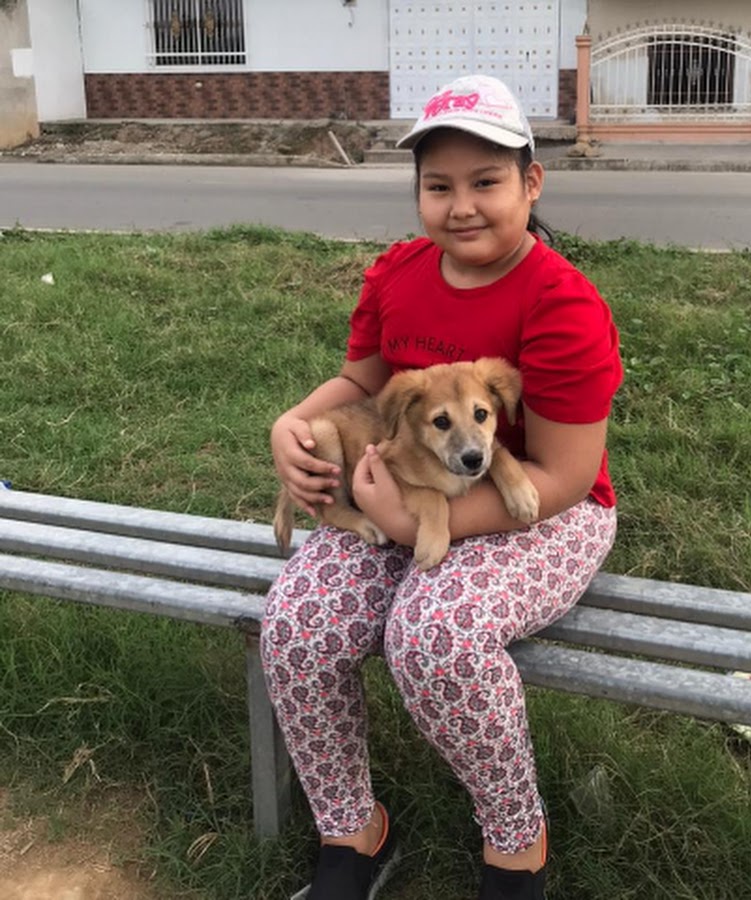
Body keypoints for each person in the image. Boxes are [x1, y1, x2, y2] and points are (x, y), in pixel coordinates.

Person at [260, 73, 623, 900]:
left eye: (486, 182)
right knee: (298, 623)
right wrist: (292, 423)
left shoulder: (561, 304)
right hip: (406, 489)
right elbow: (361, 381)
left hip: (547, 512)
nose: (461, 206)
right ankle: (353, 829)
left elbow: (565, 475)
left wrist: (420, 525)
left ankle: (516, 842)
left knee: (435, 636)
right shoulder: (400, 274)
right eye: (438, 186)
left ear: (532, 182)